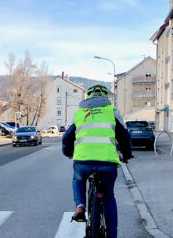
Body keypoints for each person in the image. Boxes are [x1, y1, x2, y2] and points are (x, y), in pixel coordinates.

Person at [62, 84, 133, 238]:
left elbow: (67, 137)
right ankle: (112, 235)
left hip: (83, 162)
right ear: (105, 98)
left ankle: (80, 206)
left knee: (78, 180)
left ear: (88, 97)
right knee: (108, 196)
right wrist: (126, 155)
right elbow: (124, 137)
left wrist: (68, 153)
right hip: (107, 163)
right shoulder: (112, 112)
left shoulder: (80, 113)